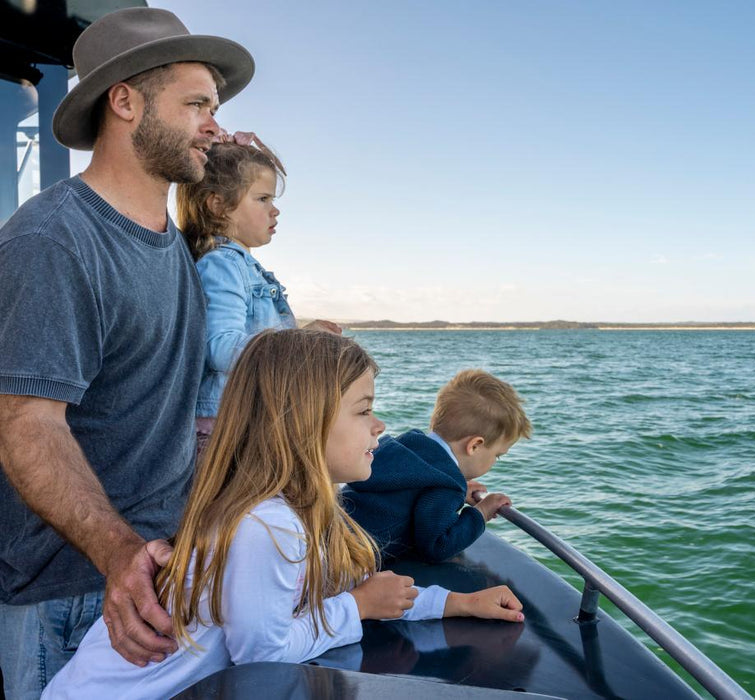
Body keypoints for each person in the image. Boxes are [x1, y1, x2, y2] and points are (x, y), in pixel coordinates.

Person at [43, 329, 524, 699]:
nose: (380, 426)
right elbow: (262, 654)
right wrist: (357, 606)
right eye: (362, 411)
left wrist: (456, 603)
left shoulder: (304, 512)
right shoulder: (267, 524)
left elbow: (350, 593)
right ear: (303, 423)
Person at [0, 7, 254, 697]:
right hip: (80, 596)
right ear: (124, 101)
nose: (215, 123)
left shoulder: (172, 243)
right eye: (196, 103)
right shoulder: (54, 242)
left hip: (165, 577)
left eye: (216, 107)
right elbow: (27, 426)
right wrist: (119, 559)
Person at [175, 135, 341, 450]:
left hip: (241, 422)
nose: (275, 211)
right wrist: (298, 344)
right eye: (263, 199)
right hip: (225, 428)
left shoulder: (240, 265)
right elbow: (221, 346)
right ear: (218, 205)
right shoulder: (222, 265)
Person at [342, 369, 532, 563]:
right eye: (497, 456)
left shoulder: (404, 444)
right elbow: (437, 546)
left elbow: (408, 490)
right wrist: (481, 513)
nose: (495, 461)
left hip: (332, 528)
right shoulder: (445, 484)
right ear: (475, 445)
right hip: (348, 558)